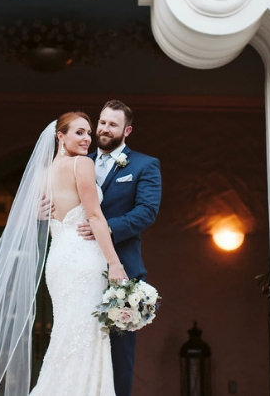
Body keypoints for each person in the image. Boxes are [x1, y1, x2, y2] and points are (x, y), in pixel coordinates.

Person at [0, 112, 126, 396]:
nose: (87, 139)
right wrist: (115, 264)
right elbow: (94, 215)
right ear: (60, 136)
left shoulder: (43, 174)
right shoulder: (82, 164)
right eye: (79, 132)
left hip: (58, 260)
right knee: (87, 334)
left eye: (89, 133)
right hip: (83, 260)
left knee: (68, 334)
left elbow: (46, 219)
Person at [77, 99, 162, 396]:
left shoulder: (144, 165)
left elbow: (147, 212)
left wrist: (105, 227)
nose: (104, 129)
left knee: (119, 357)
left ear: (127, 130)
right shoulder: (80, 162)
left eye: (112, 124)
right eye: (102, 122)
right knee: (81, 350)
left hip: (122, 271)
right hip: (80, 267)